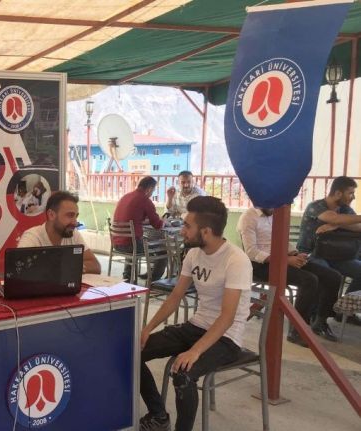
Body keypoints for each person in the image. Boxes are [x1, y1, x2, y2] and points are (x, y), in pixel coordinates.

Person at [139, 196, 252, 431]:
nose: (182, 231)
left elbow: (227, 317)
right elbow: (175, 297)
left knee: (183, 374)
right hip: (196, 326)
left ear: (206, 231)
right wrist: (147, 329)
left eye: (187, 226)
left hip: (226, 338)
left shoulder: (236, 260)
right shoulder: (193, 254)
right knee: (132, 353)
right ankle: (159, 416)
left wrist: (195, 351)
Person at [237, 207, 341, 345]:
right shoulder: (248, 217)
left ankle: (320, 321)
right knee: (309, 280)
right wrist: (285, 260)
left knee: (333, 276)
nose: (275, 208)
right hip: (261, 265)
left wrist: (295, 254)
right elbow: (252, 252)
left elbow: (283, 241)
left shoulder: (276, 214)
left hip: (282, 258)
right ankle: (296, 331)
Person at [298, 176, 361, 325]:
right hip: (311, 254)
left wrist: (336, 225)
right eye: (350, 193)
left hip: (338, 256)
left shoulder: (345, 209)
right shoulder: (315, 206)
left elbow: (357, 226)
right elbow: (333, 218)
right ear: (338, 193)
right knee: (329, 275)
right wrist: (337, 221)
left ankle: (344, 310)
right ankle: (318, 316)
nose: (353, 197)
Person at [18, 191, 101, 274]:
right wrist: (66, 267)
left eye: (76, 216)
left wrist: (74, 267)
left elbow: (95, 265)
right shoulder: (32, 237)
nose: (75, 223)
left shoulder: (73, 233)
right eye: (70, 215)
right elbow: (20, 270)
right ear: (51, 215)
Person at [112, 176, 166, 281]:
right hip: (132, 246)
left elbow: (133, 218)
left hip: (116, 243)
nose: (152, 193)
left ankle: (127, 278)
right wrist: (164, 221)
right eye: (153, 190)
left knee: (132, 240)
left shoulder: (126, 196)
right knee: (163, 249)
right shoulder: (145, 200)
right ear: (149, 188)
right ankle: (153, 280)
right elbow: (158, 225)